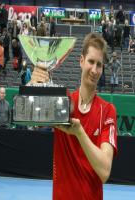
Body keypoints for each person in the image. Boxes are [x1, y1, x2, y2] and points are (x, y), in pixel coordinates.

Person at [32, 32, 118, 200]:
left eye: (99, 65)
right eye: (91, 62)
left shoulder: (107, 110)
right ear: (81, 61)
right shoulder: (63, 102)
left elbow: (104, 171)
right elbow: (34, 115)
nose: (94, 70)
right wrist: (36, 84)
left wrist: (79, 132)